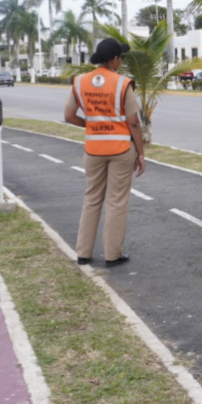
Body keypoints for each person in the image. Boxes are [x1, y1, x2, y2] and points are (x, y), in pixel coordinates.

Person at [64, 37, 146, 268]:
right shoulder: (122, 84)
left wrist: (91, 125)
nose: (121, 61)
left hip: (93, 149)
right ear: (114, 59)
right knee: (117, 202)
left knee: (91, 199)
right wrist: (140, 154)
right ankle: (112, 254)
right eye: (120, 57)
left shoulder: (80, 82)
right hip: (121, 150)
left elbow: (69, 115)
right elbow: (134, 123)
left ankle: (83, 253)